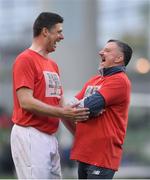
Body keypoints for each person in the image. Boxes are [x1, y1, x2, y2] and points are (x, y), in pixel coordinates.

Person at [10, 12, 89, 179]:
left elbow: (61, 107)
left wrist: (83, 138)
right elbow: (26, 102)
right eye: (58, 32)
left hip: (50, 136)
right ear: (45, 31)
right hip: (30, 134)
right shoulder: (25, 59)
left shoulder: (53, 65)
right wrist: (62, 113)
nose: (62, 37)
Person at [63, 39, 133, 179]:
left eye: (107, 51)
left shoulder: (119, 80)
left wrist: (87, 108)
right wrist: (88, 110)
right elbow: (68, 109)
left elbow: (86, 106)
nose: (101, 52)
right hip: (85, 151)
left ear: (119, 58)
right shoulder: (94, 80)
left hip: (102, 155)